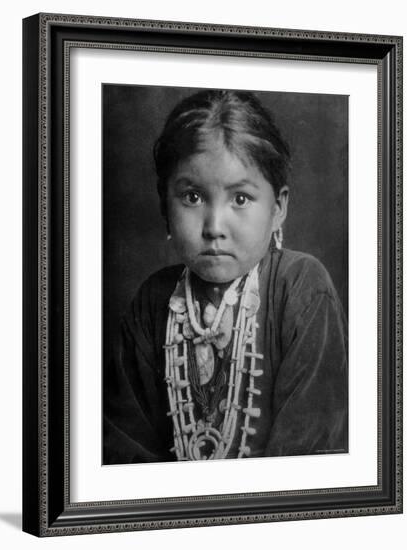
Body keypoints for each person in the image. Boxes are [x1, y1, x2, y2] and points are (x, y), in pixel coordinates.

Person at [103, 89, 348, 464]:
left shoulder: (301, 289)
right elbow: (123, 449)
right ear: (164, 207)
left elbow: (308, 457)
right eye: (192, 197)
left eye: (240, 199)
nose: (214, 227)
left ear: (278, 207)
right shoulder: (153, 301)